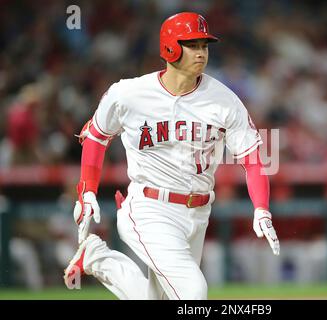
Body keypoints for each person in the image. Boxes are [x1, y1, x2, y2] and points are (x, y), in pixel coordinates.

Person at [63, 12, 280, 300]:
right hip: (149, 207)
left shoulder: (224, 100)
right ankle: (97, 257)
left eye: (204, 45)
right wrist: (87, 190)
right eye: (192, 45)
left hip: (199, 212)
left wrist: (261, 207)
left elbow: (252, 157)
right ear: (170, 47)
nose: (201, 53)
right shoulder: (129, 93)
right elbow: (97, 135)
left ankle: (97, 258)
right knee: (193, 292)